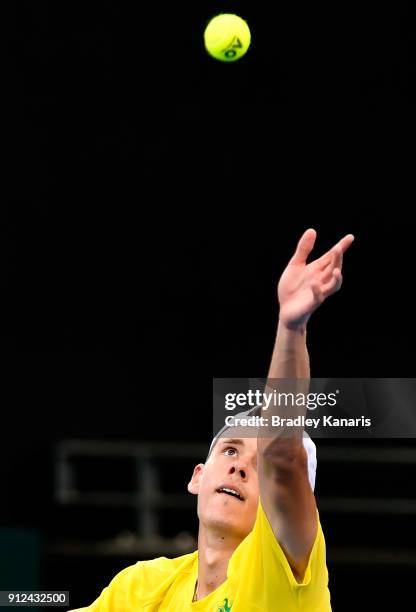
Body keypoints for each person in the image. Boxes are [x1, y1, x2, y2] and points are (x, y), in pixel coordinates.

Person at [71, 228, 354, 611]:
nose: (238, 467)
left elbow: (283, 458)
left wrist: (291, 328)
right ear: (198, 476)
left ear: (294, 506)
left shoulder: (285, 571)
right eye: (231, 450)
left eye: (259, 467)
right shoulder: (140, 588)